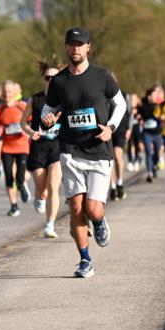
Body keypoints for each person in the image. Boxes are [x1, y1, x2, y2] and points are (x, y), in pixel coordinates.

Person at [41, 27, 127, 278]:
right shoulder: (59, 81)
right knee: (76, 207)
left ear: (89, 47)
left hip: (99, 150)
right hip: (70, 149)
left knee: (92, 208)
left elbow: (120, 104)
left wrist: (111, 128)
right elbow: (49, 108)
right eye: (71, 44)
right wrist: (47, 119)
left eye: (80, 44)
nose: (75, 48)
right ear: (66, 47)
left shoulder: (102, 77)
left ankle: (99, 222)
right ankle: (85, 260)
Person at [22, 63, 62, 238]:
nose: (51, 80)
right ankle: (39, 197)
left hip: (57, 147)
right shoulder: (35, 99)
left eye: (54, 77)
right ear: (44, 79)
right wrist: (31, 132)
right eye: (48, 77)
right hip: (39, 146)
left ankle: (49, 224)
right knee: (42, 189)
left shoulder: (65, 99)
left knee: (53, 186)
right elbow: (22, 122)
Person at [0, 80, 31, 217]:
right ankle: (14, 206)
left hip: (22, 147)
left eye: (9, 92)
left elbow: (31, 120)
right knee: (9, 177)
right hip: (7, 148)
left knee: (19, 177)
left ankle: (21, 186)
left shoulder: (22, 106)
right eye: (4, 92)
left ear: (15, 93)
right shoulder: (0, 109)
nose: (7, 94)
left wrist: (27, 130)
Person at [108, 81, 132, 201]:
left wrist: (130, 128)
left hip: (121, 129)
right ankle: (112, 187)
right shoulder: (102, 95)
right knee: (109, 160)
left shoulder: (124, 95)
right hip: (106, 129)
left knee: (117, 156)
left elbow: (130, 113)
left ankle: (120, 183)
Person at [140, 84, 164, 183]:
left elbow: (163, 117)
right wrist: (139, 119)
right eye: (152, 95)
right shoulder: (143, 107)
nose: (154, 97)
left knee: (157, 153)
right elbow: (138, 115)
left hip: (157, 133)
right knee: (148, 152)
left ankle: (154, 166)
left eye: (155, 95)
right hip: (147, 133)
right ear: (149, 96)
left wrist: (161, 118)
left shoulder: (159, 107)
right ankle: (149, 173)